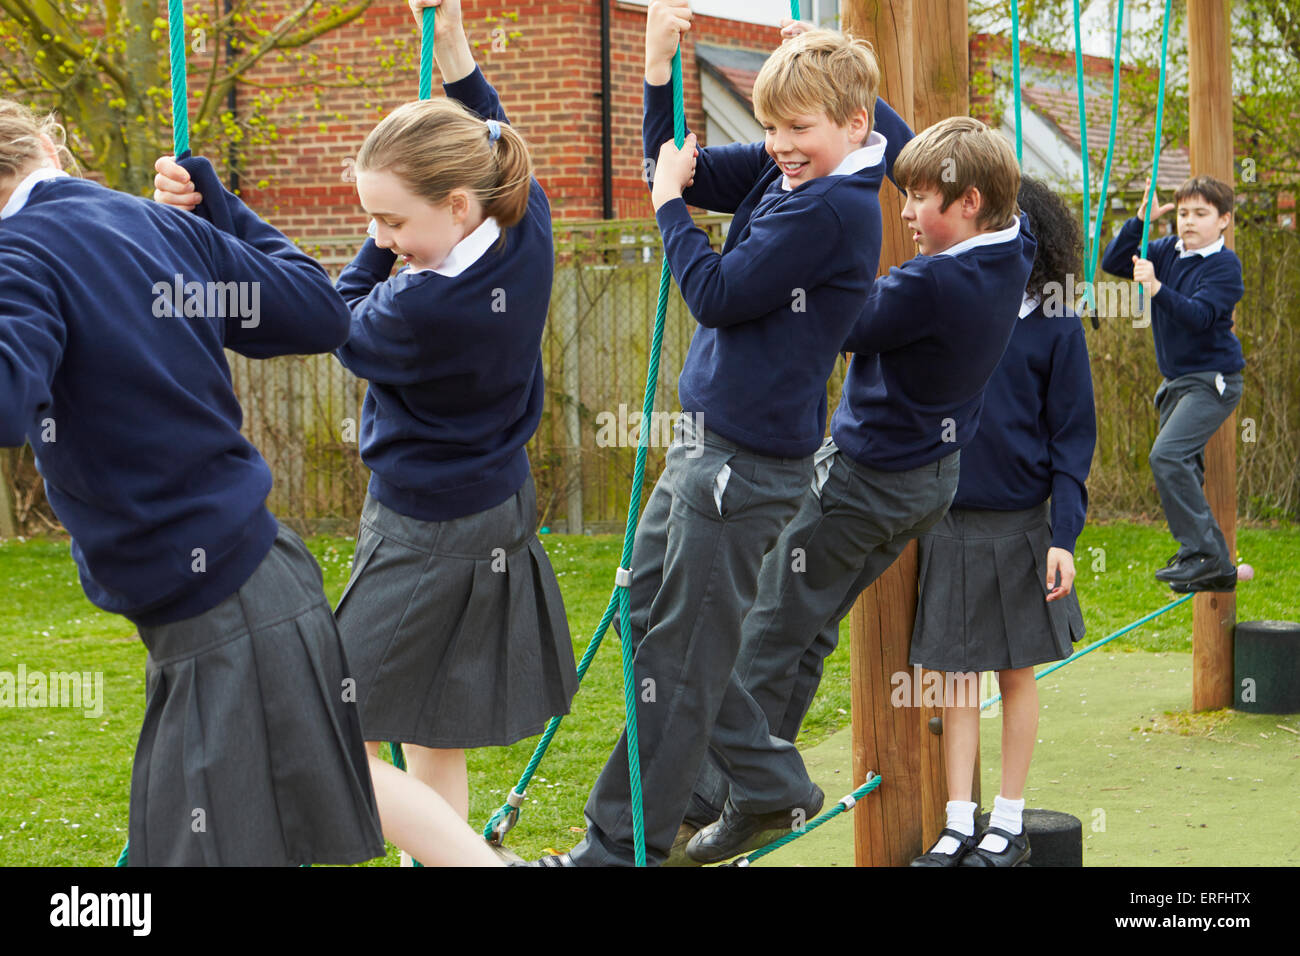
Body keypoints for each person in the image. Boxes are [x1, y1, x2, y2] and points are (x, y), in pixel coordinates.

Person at [0, 98, 462, 865]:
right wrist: (220, 209)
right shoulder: (158, 227)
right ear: (51, 146)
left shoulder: (18, 257)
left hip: (224, 612)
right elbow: (318, 312)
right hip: (253, 587)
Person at [157, 0, 576, 839]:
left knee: (331, 722)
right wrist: (452, 41)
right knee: (431, 722)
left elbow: (323, 307)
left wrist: (220, 208)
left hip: (427, 529)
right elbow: (489, 128)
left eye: (389, 222)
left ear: (458, 207)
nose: (380, 237)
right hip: (495, 507)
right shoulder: (522, 228)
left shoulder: (419, 316)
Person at [536, 1, 907, 867]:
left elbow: (717, 292)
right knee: (646, 623)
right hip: (706, 448)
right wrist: (659, 68)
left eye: (798, 128)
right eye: (771, 125)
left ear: (857, 125)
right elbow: (682, 168)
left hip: (743, 467)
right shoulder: (795, 178)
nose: (779, 143)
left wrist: (668, 213)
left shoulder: (833, 208)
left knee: (676, 662)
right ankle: (772, 781)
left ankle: (619, 846)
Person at [685, 116, 1039, 865]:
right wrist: (861, 102)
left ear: (970, 202)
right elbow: (936, 159)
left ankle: (722, 792)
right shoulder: (1015, 243)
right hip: (928, 484)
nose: (904, 212)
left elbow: (835, 316)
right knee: (807, 631)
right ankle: (752, 773)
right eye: (902, 192)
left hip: (863, 485)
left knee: (767, 627)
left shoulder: (931, 285)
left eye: (919, 200)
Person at [907, 176, 1096, 867]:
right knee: (956, 678)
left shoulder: (1055, 321)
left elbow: (1074, 439)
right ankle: (960, 822)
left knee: (1015, 675)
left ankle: (1007, 824)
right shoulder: (951, 303)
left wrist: (1064, 538)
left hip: (1022, 526)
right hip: (946, 521)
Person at [1101, 174, 1244, 593]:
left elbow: (1200, 316)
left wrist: (1156, 288)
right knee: (1184, 464)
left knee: (1167, 456)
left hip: (1212, 381)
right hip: (1177, 382)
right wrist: (1140, 223)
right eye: (1183, 213)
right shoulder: (1165, 251)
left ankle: (1206, 553)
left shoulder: (1224, 266)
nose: (1189, 221)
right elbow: (1113, 262)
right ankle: (1204, 558)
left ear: (1224, 221)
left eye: (1201, 214)